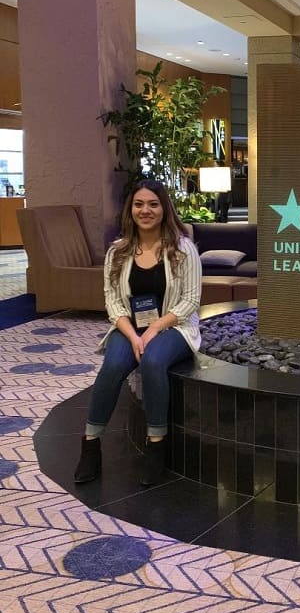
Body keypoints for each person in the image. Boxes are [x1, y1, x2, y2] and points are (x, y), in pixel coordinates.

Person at [74, 179, 202, 486]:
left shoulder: (184, 249)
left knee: (153, 362)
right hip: (130, 327)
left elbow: (191, 300)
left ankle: (156, 445)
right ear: (130, 210)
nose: (146, 210)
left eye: (153, 204)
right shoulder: (117, 252)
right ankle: (91, 444)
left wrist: (155, 328)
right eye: (139, 204)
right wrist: (132, 335)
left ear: (164, 209)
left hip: (174, 325)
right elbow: (113, 300)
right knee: (114, 364)